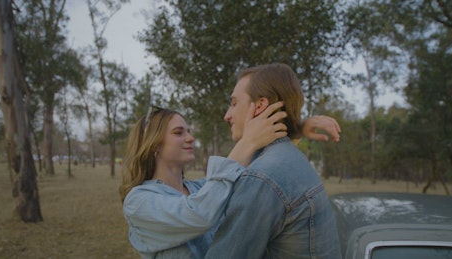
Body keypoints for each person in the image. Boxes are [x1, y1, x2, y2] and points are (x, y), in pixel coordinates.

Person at [120, 102, 340, 258]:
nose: (190, 137)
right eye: (179, 132)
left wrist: (296, 129)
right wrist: (247, 142)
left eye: (188, 131)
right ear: (154, 144)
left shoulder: (200, 188)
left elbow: (248, 173)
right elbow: (199, 214)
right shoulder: (138, 201)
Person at [204, 63, 342, 258]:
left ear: (259, 106)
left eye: (234, 103)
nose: (227, 115)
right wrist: (297, 127)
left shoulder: (262, 177)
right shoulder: (288, 158)